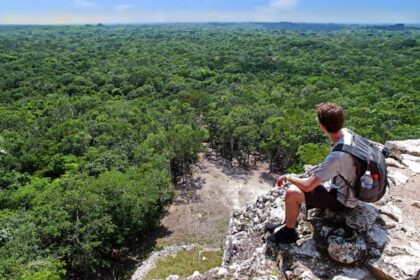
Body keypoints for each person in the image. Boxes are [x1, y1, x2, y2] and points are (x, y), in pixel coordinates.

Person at [266, 102, 358, 244]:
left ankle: (289, 232)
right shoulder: (348, 134)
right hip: (349, 187)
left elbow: (308, 186)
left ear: (322, 126)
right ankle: (286, 223)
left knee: (291, 193)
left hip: (342, 199)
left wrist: (288, 177)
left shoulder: (337, 157)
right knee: (306, 183)